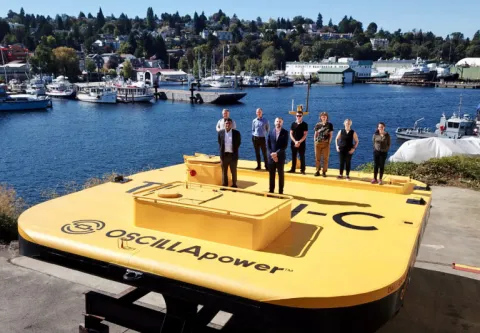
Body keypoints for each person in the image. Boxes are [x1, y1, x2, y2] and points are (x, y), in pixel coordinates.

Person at [267, 117, 289, 194]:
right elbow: (268, 145)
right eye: (277, 121)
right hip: (271, 157)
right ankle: (271, 190)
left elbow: (285, 146)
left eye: (280, 122)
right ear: (274, 122)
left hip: (280, 157)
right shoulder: (270, 132)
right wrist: (272, 154)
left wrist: (276, 153)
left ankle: (280, 192)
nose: (278, 123)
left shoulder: (285, 132)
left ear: (282, 123)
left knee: (281, 175)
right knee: (271, 175)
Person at [218, 118, 241, 188]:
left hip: (233, 156)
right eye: (226, 123)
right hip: (224, 156)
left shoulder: (236, 133)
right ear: (224, 124)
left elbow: (238, 143)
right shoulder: (220, 133)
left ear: (231, 124)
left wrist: (233, 151)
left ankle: (234, 184)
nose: (227, 125)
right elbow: (219, 142)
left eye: (229, 123)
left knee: (233, 171)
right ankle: (225, 184)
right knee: (224, 171)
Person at [313, 112, 334, 177]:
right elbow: (315, 134)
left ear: (327, 117)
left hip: (326, 143)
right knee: (317, 158)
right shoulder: (318, 125)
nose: (324, 117)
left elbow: (331, 134)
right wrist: (315, 141)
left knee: (325, 158)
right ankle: (317, 170)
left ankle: (324, 172)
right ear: (320, 117)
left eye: (325, 116)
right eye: (322, 116)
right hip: (318, 143)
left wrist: (329, 142)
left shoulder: (330, 125)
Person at [288, 110, 308, 174]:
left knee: (302, 156)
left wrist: (299, 142)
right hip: (293, 143)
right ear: (295, 116)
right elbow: (291, 133)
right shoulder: (293, 124)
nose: (298, 117)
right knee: (294, 156)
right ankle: (293, 169)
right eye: (297, 116)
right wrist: (295, 141)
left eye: (300, 116)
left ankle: (302, 170)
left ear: (302, 116)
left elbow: (305, 134)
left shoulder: (305, 124)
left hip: (301, 143)